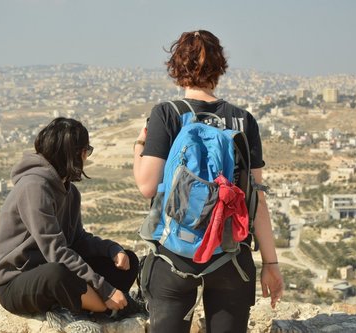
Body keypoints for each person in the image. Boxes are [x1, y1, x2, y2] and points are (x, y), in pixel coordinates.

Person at [133, 30, 284, 332]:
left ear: (176, 68)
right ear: (220, 67)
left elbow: (147, 186)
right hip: (229, 255)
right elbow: (256, 200)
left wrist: (139, 147)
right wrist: (271, 265)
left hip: (173, 255)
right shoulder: (243, 120)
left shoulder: (167, 115)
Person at [0, 117, 142, 332]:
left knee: (128, 262)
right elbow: (57, 252)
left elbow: (77, 240)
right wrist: (106, 290)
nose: (87, 156)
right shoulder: (34, 187)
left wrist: (112, 250)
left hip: (57, 270)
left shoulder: (69, 191)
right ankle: (111, 308)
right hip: (16, 283)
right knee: (57, 274)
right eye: (86, 150)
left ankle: (85, 306)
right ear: (75, 153)